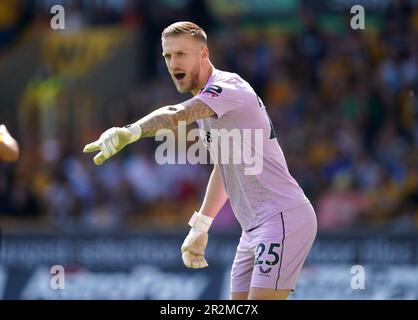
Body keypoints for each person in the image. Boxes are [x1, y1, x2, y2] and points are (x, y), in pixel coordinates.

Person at [83, 21, 317, 300]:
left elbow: (174, 114)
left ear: (204, 55)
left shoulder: (227, 87)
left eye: (181, 54)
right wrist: (200, 226)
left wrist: (130, 132)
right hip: (252, 229)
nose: (173, 63)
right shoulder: (209, 108)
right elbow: (224, 168)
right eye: (168, 56)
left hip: (282, 216)